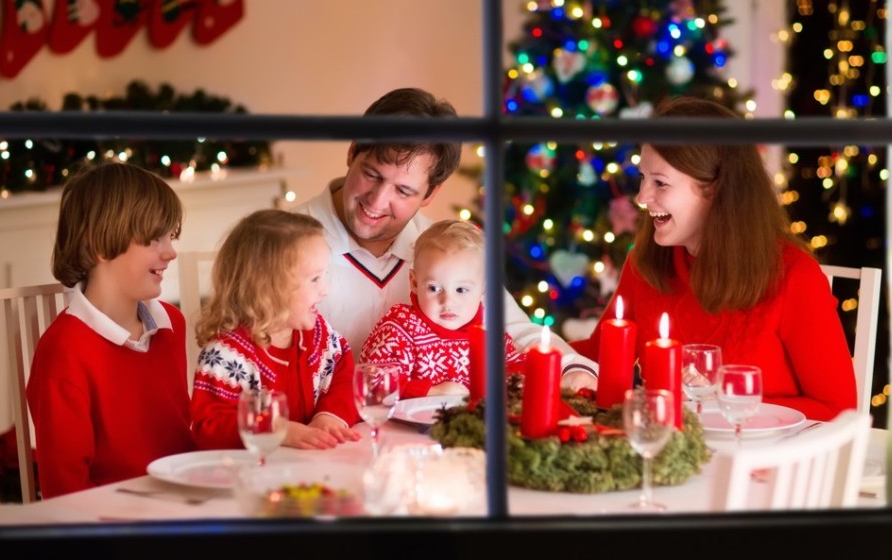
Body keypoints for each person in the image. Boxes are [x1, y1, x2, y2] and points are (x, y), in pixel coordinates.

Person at [571, 96, 857, 421]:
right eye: (642, 178)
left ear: (716, 191)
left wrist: (725, 402)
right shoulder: (645, 266)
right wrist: (522, 348)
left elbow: (839, 412)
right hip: (663, 462)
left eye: (660, 183)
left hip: (762, 466)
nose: (641, 197)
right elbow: (596, 359)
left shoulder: (794, 276)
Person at [297, 87, 598, 389]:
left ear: (430, 193)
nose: (377, 200)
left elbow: (517, 332)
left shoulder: (443, 249)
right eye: (373, 175)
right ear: (352, 152)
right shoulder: (279, 244)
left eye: (403, 191)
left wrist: (571, 369)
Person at [26, 162, 197, 498]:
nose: (171, 252)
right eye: (153, 238)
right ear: (100, 245)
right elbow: (66, 493)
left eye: (170, 236)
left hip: (187, 505)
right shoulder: (63, 353)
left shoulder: (170, 324)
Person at [190, 209, 361, 450]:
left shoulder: (317, 334)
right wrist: (277, 429)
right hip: (250, 477)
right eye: (314, 279)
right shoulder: (227, 355)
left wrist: (330, 416)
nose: (325, 289)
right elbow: (209, 427)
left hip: (310, 470)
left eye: (325, 276)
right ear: (268, 287)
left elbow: (345, 374)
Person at [360, 219, 525, 399]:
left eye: (461, 290)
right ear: (414, 282)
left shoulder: (490, 334)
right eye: (434, 288)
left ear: (483, 289)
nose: (448, 301)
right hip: (405, 425)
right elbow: (373, 381)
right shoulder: (401, 328)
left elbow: (516, 369)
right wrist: (431, 392)